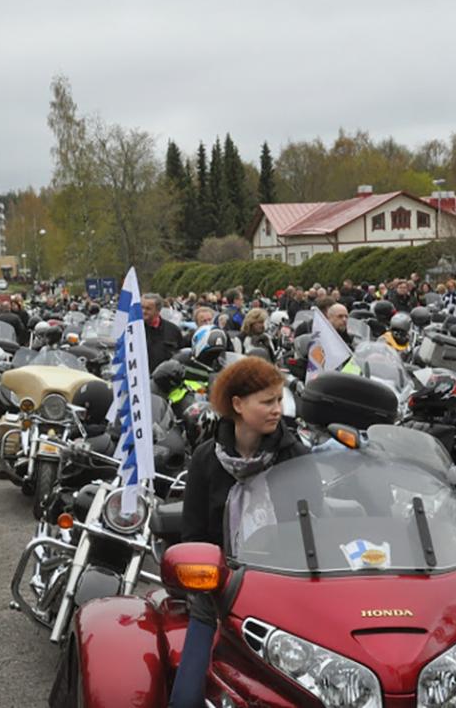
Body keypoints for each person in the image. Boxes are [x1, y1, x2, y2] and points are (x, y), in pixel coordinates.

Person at [171, 357, 306, 708]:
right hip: (218, 597)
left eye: (279, 399)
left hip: (285, 595)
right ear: (237, 405)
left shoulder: (295, 454)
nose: (278, 409)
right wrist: (211, 586)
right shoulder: (205, 458)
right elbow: (193, 536)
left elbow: (313, 529)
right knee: (186, 699)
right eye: (267, 401)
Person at [142, 293, 184, 373]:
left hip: (165, 379)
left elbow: (180, 355)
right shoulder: (134, 330)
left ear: (158, 310)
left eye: (148, 309)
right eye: (141, 307)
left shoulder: (173, 330)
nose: (143, 311)